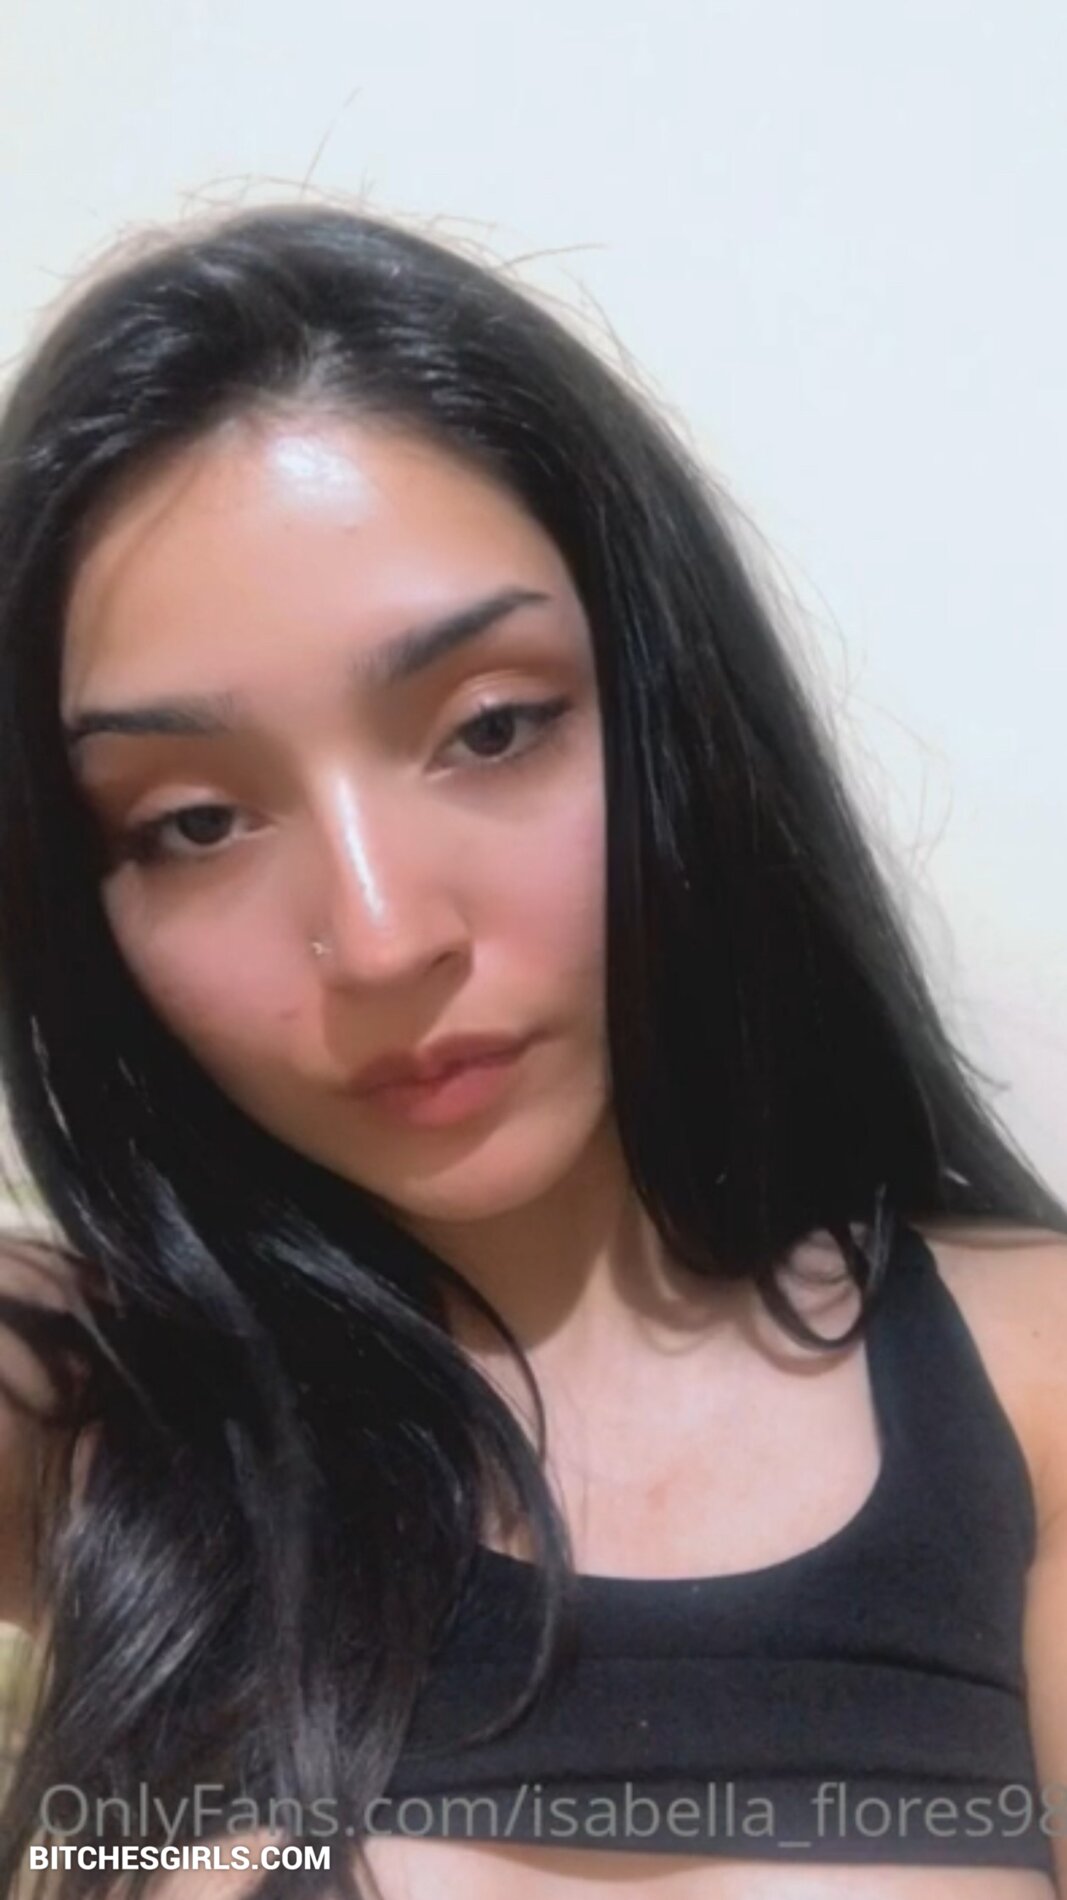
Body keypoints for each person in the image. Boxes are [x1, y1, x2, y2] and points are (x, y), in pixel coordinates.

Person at [0, 199, 1064, 1900]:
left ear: (668, 713)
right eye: (193, 822)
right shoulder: (92, 1402)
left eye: (491, 727)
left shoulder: (1031, 1381)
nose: (382, 937)